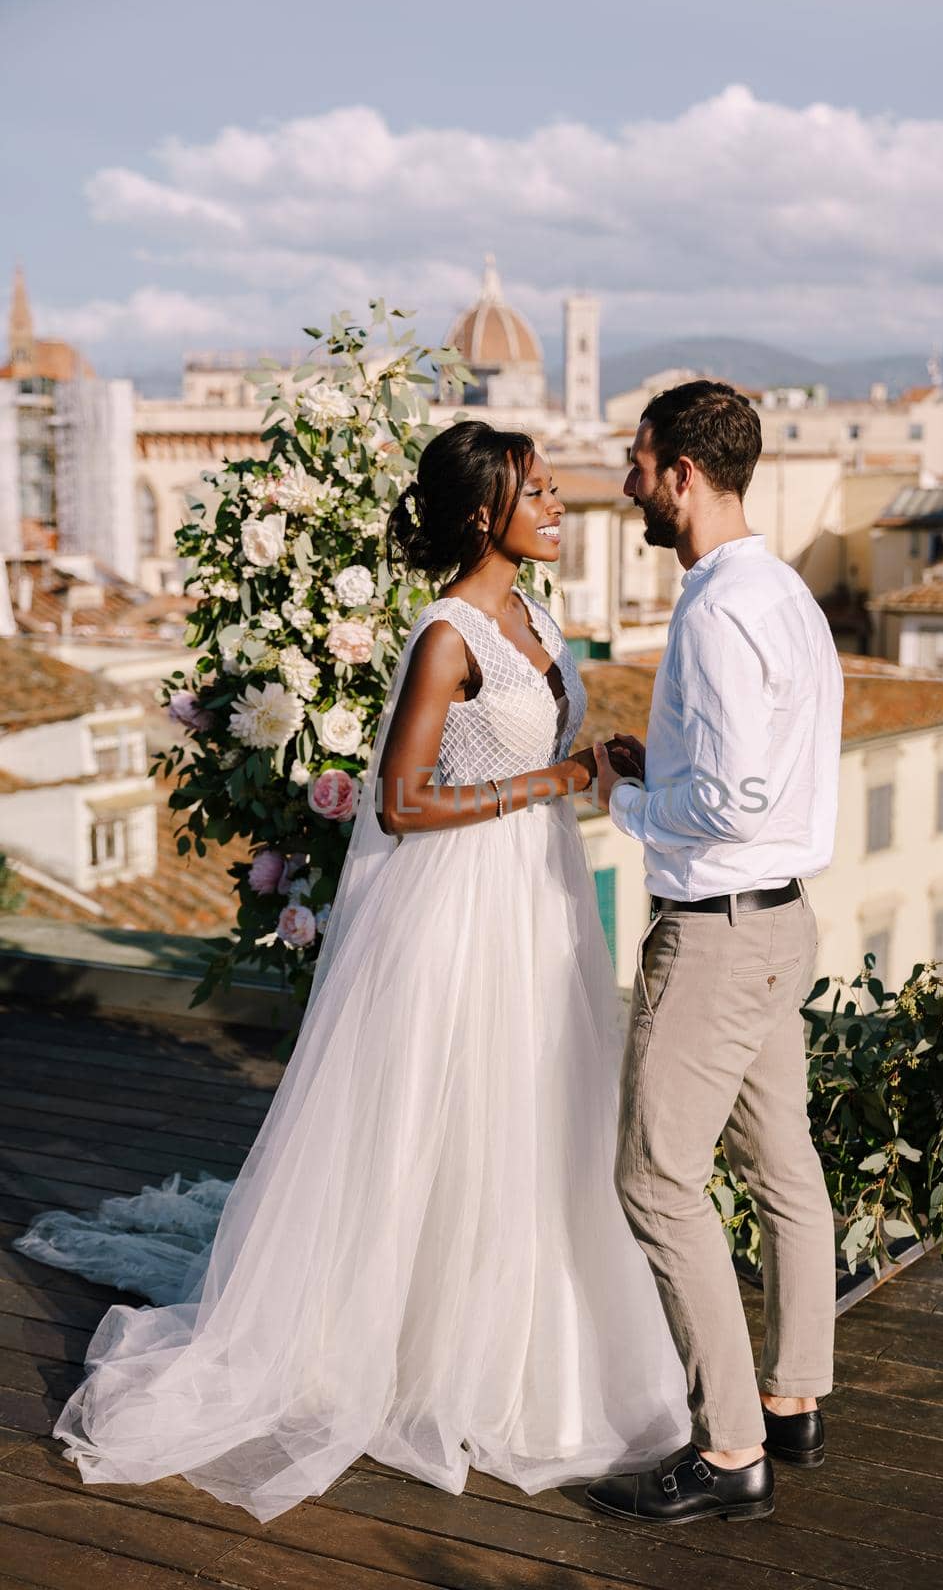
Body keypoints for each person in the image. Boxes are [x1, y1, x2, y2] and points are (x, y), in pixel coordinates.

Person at [12, 420, 692, 1525]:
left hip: (536, 902)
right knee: (451, 1114)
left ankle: (522, 1347)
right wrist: (557, 775)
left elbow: (517, 752)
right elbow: (401, 802)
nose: (561, 506)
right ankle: (416, 1349)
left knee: (530, 1116)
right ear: (484, 513)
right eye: (540, 492)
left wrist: (591, 761)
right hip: (458, 911)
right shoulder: (445, 633)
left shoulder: (536, 616)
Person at [584, 380, 843, 1526]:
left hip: (722, 931)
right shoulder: (781, 591)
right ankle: (794, 1398)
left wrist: (624, 803)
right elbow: (757, 776)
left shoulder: (713, 608)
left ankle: (729, 1447)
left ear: (682, 472)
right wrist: (663, 774)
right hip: (783, 921)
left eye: (638, 462)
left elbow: (733, 801)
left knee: (652, 1178)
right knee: (779, 1158)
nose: (628, 481)